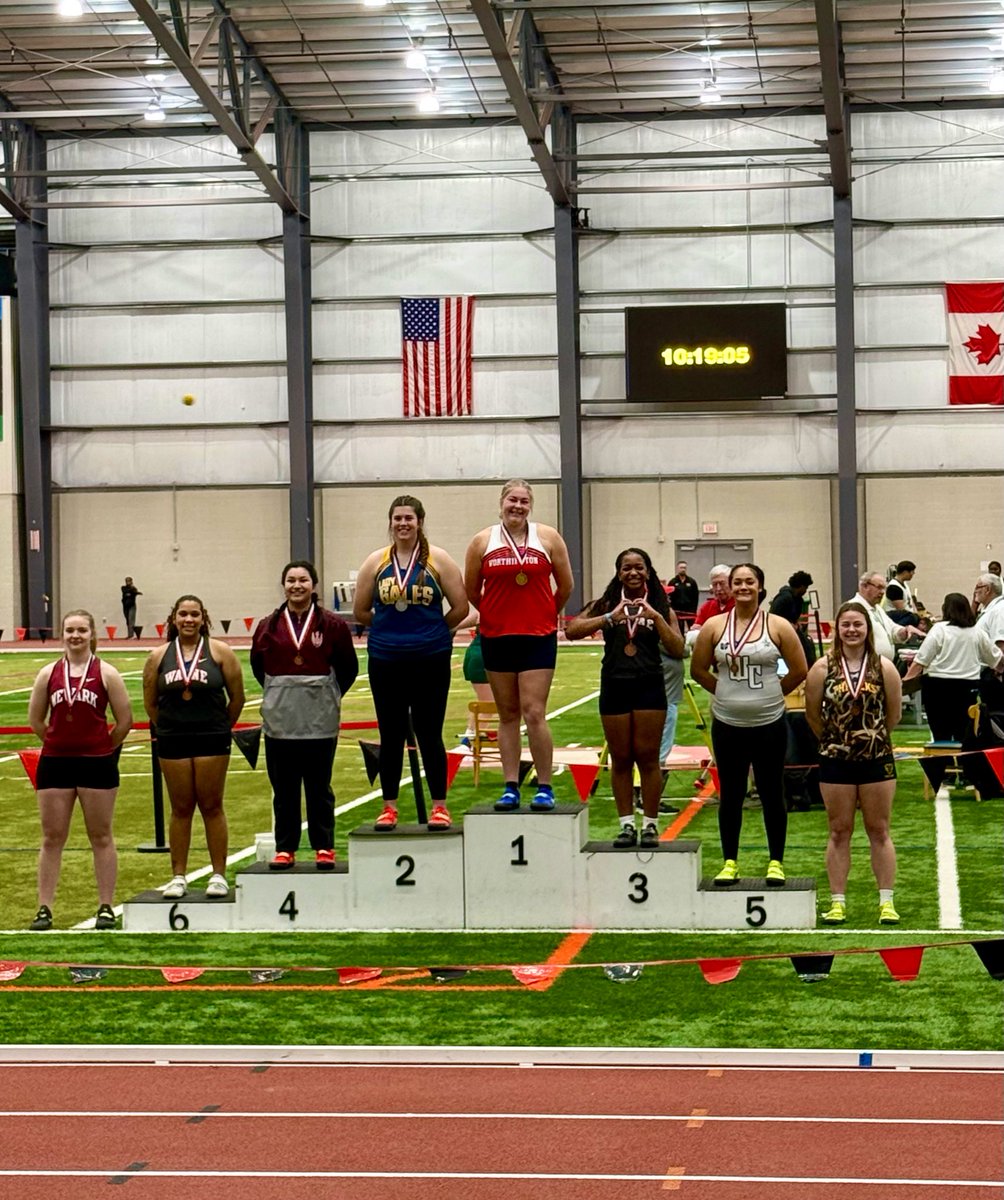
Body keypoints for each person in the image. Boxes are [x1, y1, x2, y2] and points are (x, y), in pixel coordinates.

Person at [353, 495, 469, 831]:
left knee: (429, 733)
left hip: (430, 658)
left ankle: (440, 806)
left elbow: (460, 607)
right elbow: (361, 610)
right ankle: (389, 806)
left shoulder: (439, 560)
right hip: (386, 658)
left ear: (420, 521)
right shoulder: (375, 562)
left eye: (409, 518)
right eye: (397, 518)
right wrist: (390, 632)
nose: (403, 524)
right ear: (390, 522)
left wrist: (434, 632)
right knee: (389, 734)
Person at [691, 563, 808, 886]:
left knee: (772, 791)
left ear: (760, 587)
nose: (743, 587)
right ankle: (730, 861)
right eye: (737, 582)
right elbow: (698, 669)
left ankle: (776, 861)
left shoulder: (778, 626)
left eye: (749, 582)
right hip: (727, 723)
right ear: (729, 587)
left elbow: (800, 669)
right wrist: (725, 692)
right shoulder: (714, 626)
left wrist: (773, 694)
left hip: (769, 721)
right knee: (731, 793)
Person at [464, 479, 574, 812]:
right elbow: (472, 590)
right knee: (508, 713)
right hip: (497, 638)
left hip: (537, 638)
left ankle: (544, 786)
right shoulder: (482, 541)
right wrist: (496, 616)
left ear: (531, 505)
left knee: (535, 711)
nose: (518, 506)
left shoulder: (548, 537)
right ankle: (510, 785)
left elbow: (565, 586)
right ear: (501, 502)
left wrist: (543, 615)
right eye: (512, 499)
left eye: (524, 501)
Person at [567, 548, 685, 846]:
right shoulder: (606, 602)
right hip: (615, 684)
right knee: (620, 758)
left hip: (649, 685)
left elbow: (677, 648)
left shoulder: (660, 604)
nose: (633, 573)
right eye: (627, 568)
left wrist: (656, 618)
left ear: (648, 571)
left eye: (639, 568)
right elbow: (571, 630)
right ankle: (626, 825)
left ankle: (650, 824)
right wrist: (608, 618)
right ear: (618, 572)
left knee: (648, 758)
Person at [27, 610, 133, 931]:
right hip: (56, 763)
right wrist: (59, 744)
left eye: (82, 630)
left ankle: (105, 906)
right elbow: (36, 719)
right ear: (62, 634)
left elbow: (124, 720)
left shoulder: (107, 673)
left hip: (97, 763)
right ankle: (44, 908)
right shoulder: (48, 674)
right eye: (70, 630)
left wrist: (102, 747)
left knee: (100, 836)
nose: (75, 636)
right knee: (52, 837)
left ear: (92, 634)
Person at [250, 561, 358, 870]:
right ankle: (286, 847)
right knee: (284, 789)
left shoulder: (333, 625)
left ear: (314, 585)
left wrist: (327, 697)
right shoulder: (267, 626)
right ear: (283, 585)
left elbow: (348, 669)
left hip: (319, 722)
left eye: (303, 580)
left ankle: (324, 846)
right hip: (280, 721)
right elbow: (260, 668)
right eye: (291, 580)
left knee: (319, 788)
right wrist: (280, 696)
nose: (297, 585)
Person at [804, 601, 903, 926]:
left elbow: (894, 714)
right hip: (835, 760)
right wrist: (837, 742)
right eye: (846, 624)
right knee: (838, 830)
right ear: (837, 629)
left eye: (857, 625)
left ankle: (886, 902)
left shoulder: (884, 667)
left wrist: (871, 739)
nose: (851, 630)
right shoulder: (822, 668)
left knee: (879, 829)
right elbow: (812, 714)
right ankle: (837, 902)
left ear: (867, 629)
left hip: (876, 759)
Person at [142, 595, 246, 899]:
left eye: (195, 614)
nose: (189, 620)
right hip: (173, 738)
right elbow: (150, 702)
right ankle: (178, 876)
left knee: (212, 806)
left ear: (204, 618)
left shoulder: (221, 652)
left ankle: (218, 874)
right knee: (181, 808)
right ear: (174, 619)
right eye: (183, 614)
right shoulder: (158, 656)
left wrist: (221, 727)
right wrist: (169, 726)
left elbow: (237, 698)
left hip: (212, 737)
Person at [902, 593, 1002, 792]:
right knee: (965, 731)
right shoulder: (977, 632)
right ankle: (966, 772)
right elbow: (996, 659)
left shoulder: (939, 630)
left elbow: (922, 659)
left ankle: (942, 773)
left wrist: (904, 683)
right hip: (968, 688)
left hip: (937, 687)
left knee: (940, 731)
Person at [850, 572, 924, 661]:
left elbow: (892, 628)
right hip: (864, 664)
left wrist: (904, 631)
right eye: (879, 587)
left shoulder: (878, 609)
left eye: (884, 588)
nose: (883, 592)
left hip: (882, 664)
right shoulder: (853, 609)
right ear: (864, 586)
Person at [769, 570, 816, 666]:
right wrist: (788, 624)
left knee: (808, 646)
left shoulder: (798, 600)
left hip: (792, 629)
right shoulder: (784, 598)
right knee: (805, 650)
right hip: (782, 632)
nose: (805, 591)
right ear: (801, 586)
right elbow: (773, 616)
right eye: (806, 587)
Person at [685, 563, 734, 648]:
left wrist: (705, 632)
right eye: (715, 584)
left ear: (731, 584)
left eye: (722, 583)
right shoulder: (706, 607)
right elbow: (694, 635)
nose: (718, 588)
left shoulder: (741, 606)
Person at [883, 560, 925, 630]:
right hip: (896, 616)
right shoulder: (894, 587)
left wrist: (918, 615)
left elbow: (911, 602)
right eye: (912, 572)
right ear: (905, 572)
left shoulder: (904, 584)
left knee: (918, 618)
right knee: (912, 618)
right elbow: (901, 609)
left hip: (907, 615)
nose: (913, 574)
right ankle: (894, 630)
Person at [668, 561, 700, 631]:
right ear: (677, 569)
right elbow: (669, 596)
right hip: (677, 610)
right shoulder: (672, 582)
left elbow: (695, 596)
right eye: (681, 567)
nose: (683, 569)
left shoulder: (692, 582)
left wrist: (694, 609)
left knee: (692, 629)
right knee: (679, 630)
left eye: (684, 568)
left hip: (690, 610)